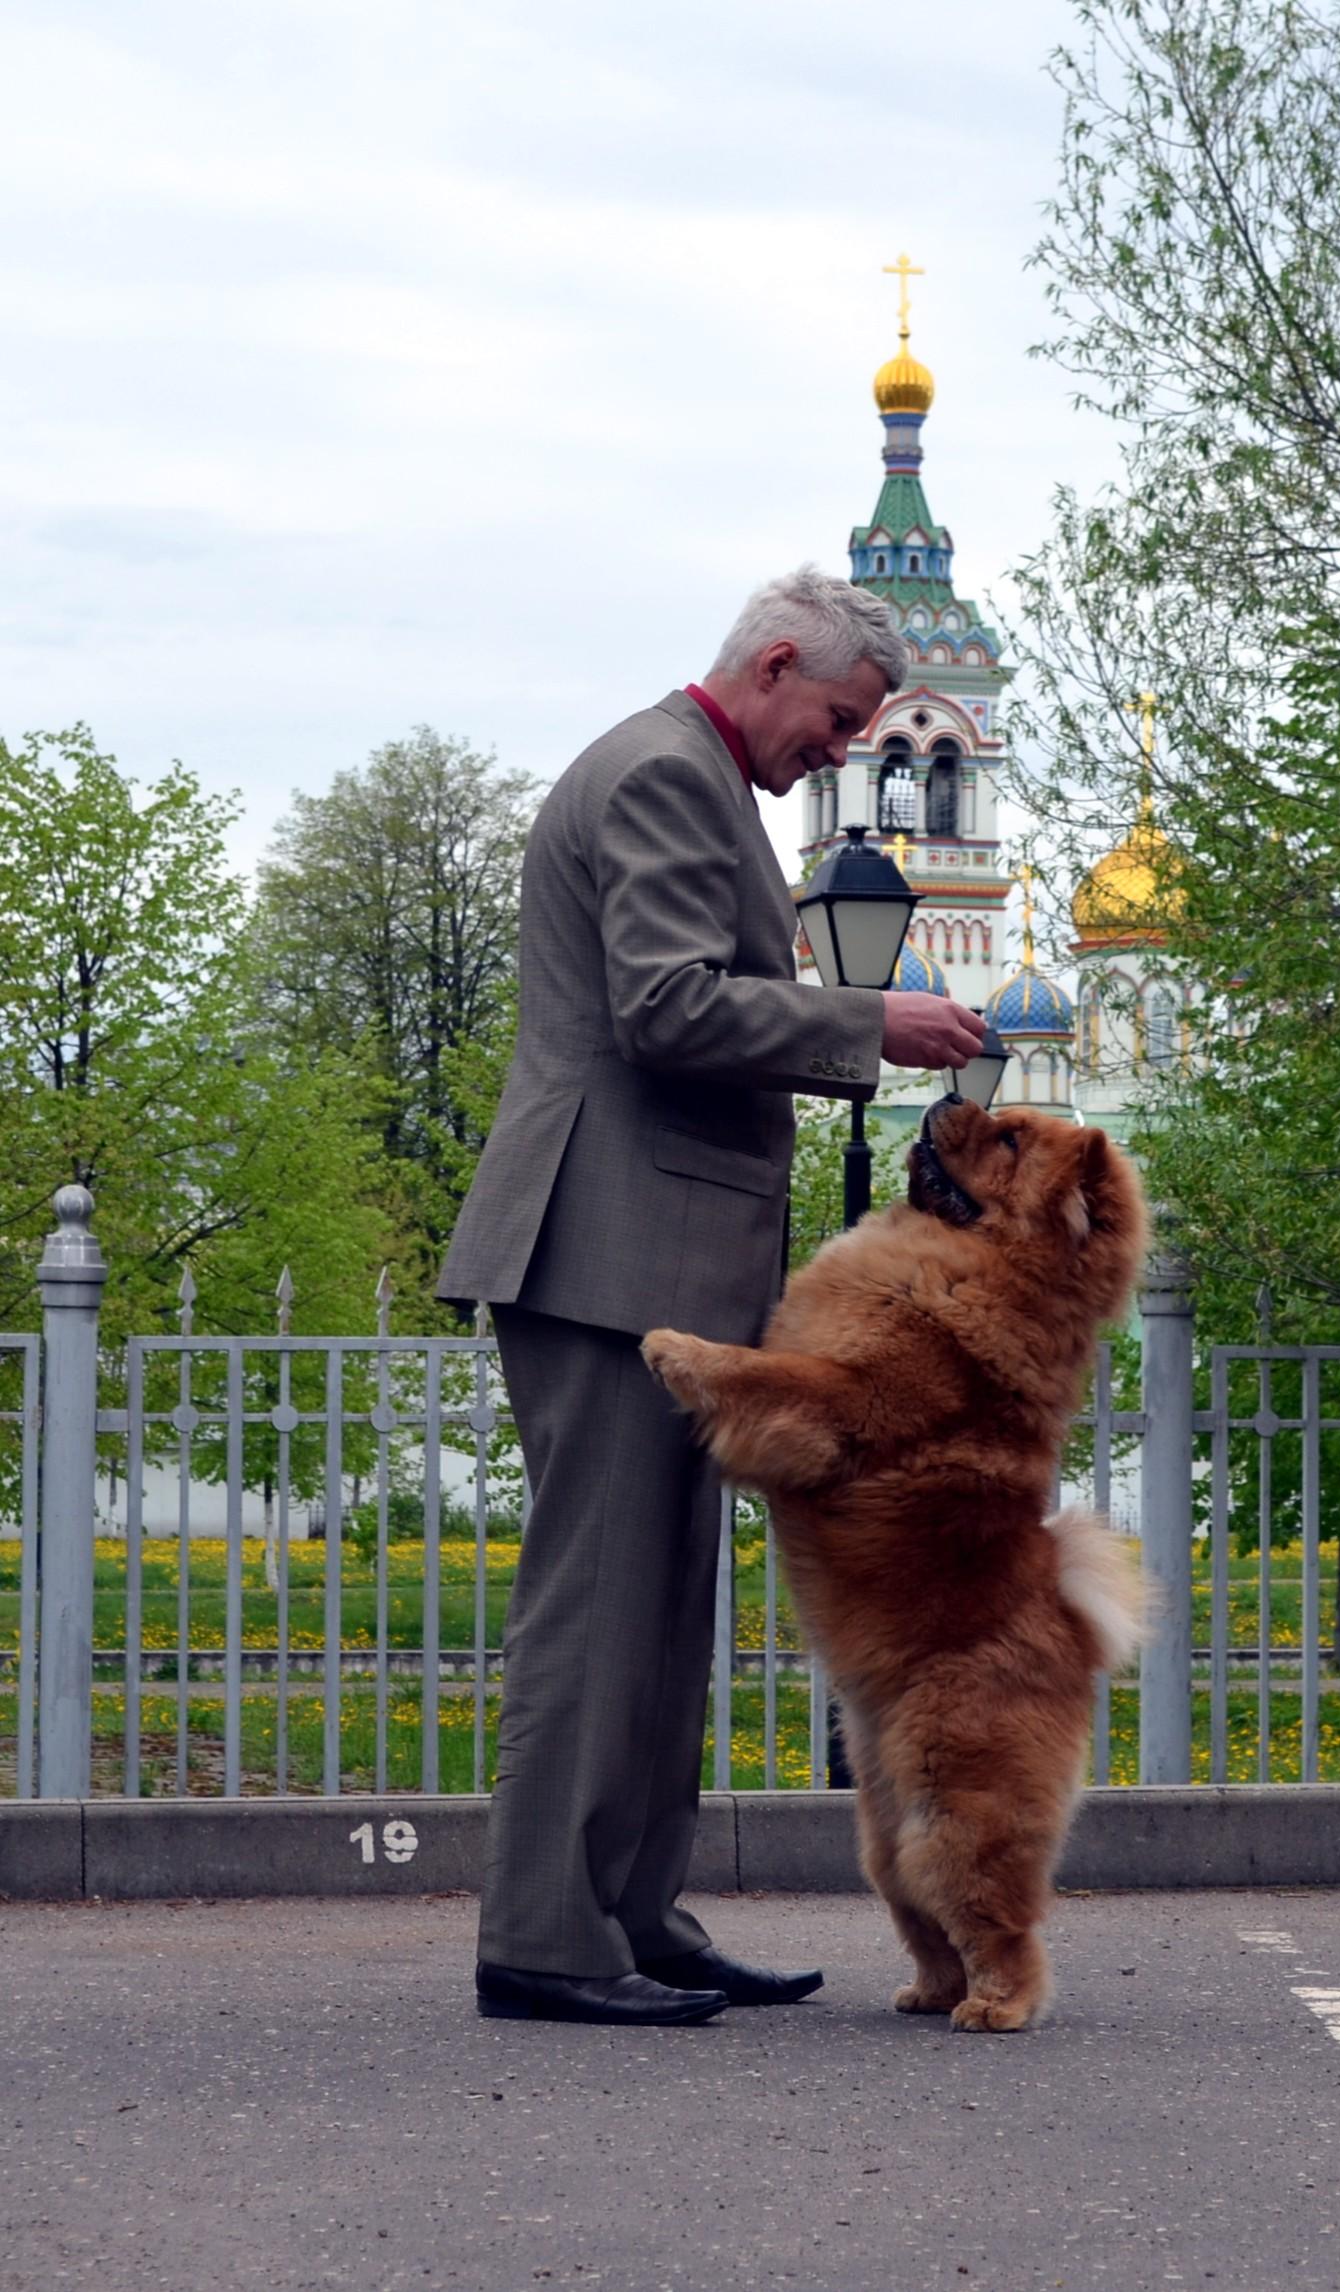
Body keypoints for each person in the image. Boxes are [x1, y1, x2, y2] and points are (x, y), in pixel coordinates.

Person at [438, 566, 987, 2026]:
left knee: (661, 1608)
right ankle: (548, 1941)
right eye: (844, 718)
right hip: (605, 1253)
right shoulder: (666, 780)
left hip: (646, 1259)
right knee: (598, 1607)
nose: (846, 750)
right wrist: (874, 1022)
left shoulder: (687, 776)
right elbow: (666, 1006)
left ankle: (629, 1915)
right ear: (779, 663)